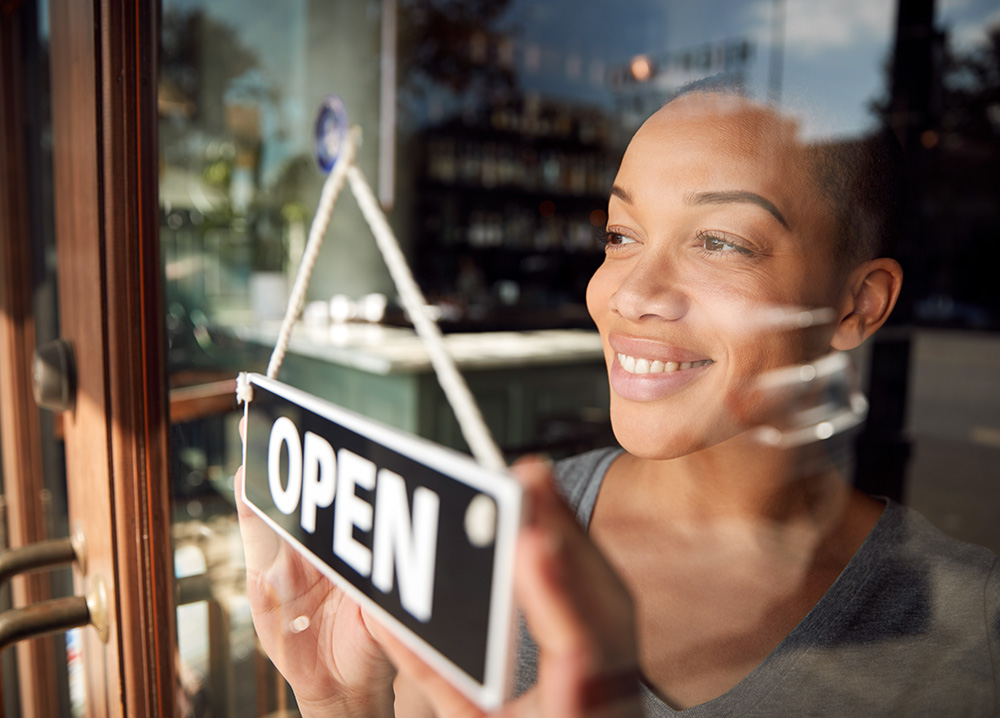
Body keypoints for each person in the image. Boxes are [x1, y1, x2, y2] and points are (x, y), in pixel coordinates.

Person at [235, 89, 1000, 717]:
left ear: (857, 304)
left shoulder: (973, 635)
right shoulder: (487, 537)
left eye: (720, 243)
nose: (628, 294)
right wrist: (341, 703)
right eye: (621, 233)